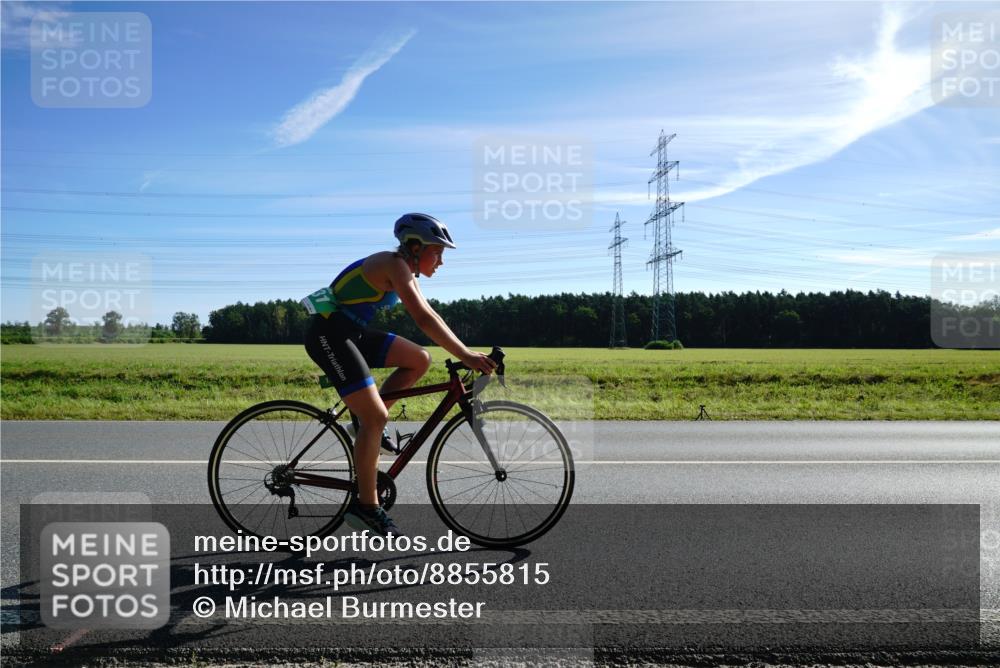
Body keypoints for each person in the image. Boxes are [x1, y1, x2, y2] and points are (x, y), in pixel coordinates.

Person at [302, 213, 497, 537]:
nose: (442, 261)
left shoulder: (404, 269)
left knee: (420, 359)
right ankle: (366, 506)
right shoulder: (393, 263)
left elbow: (429, 312)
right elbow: (422, 318)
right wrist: (464, 355)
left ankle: (365, 426)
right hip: (329, 335)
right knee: (376, 416)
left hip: (352, 332)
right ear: (416, 247)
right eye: (439, 251)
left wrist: (465, 351)